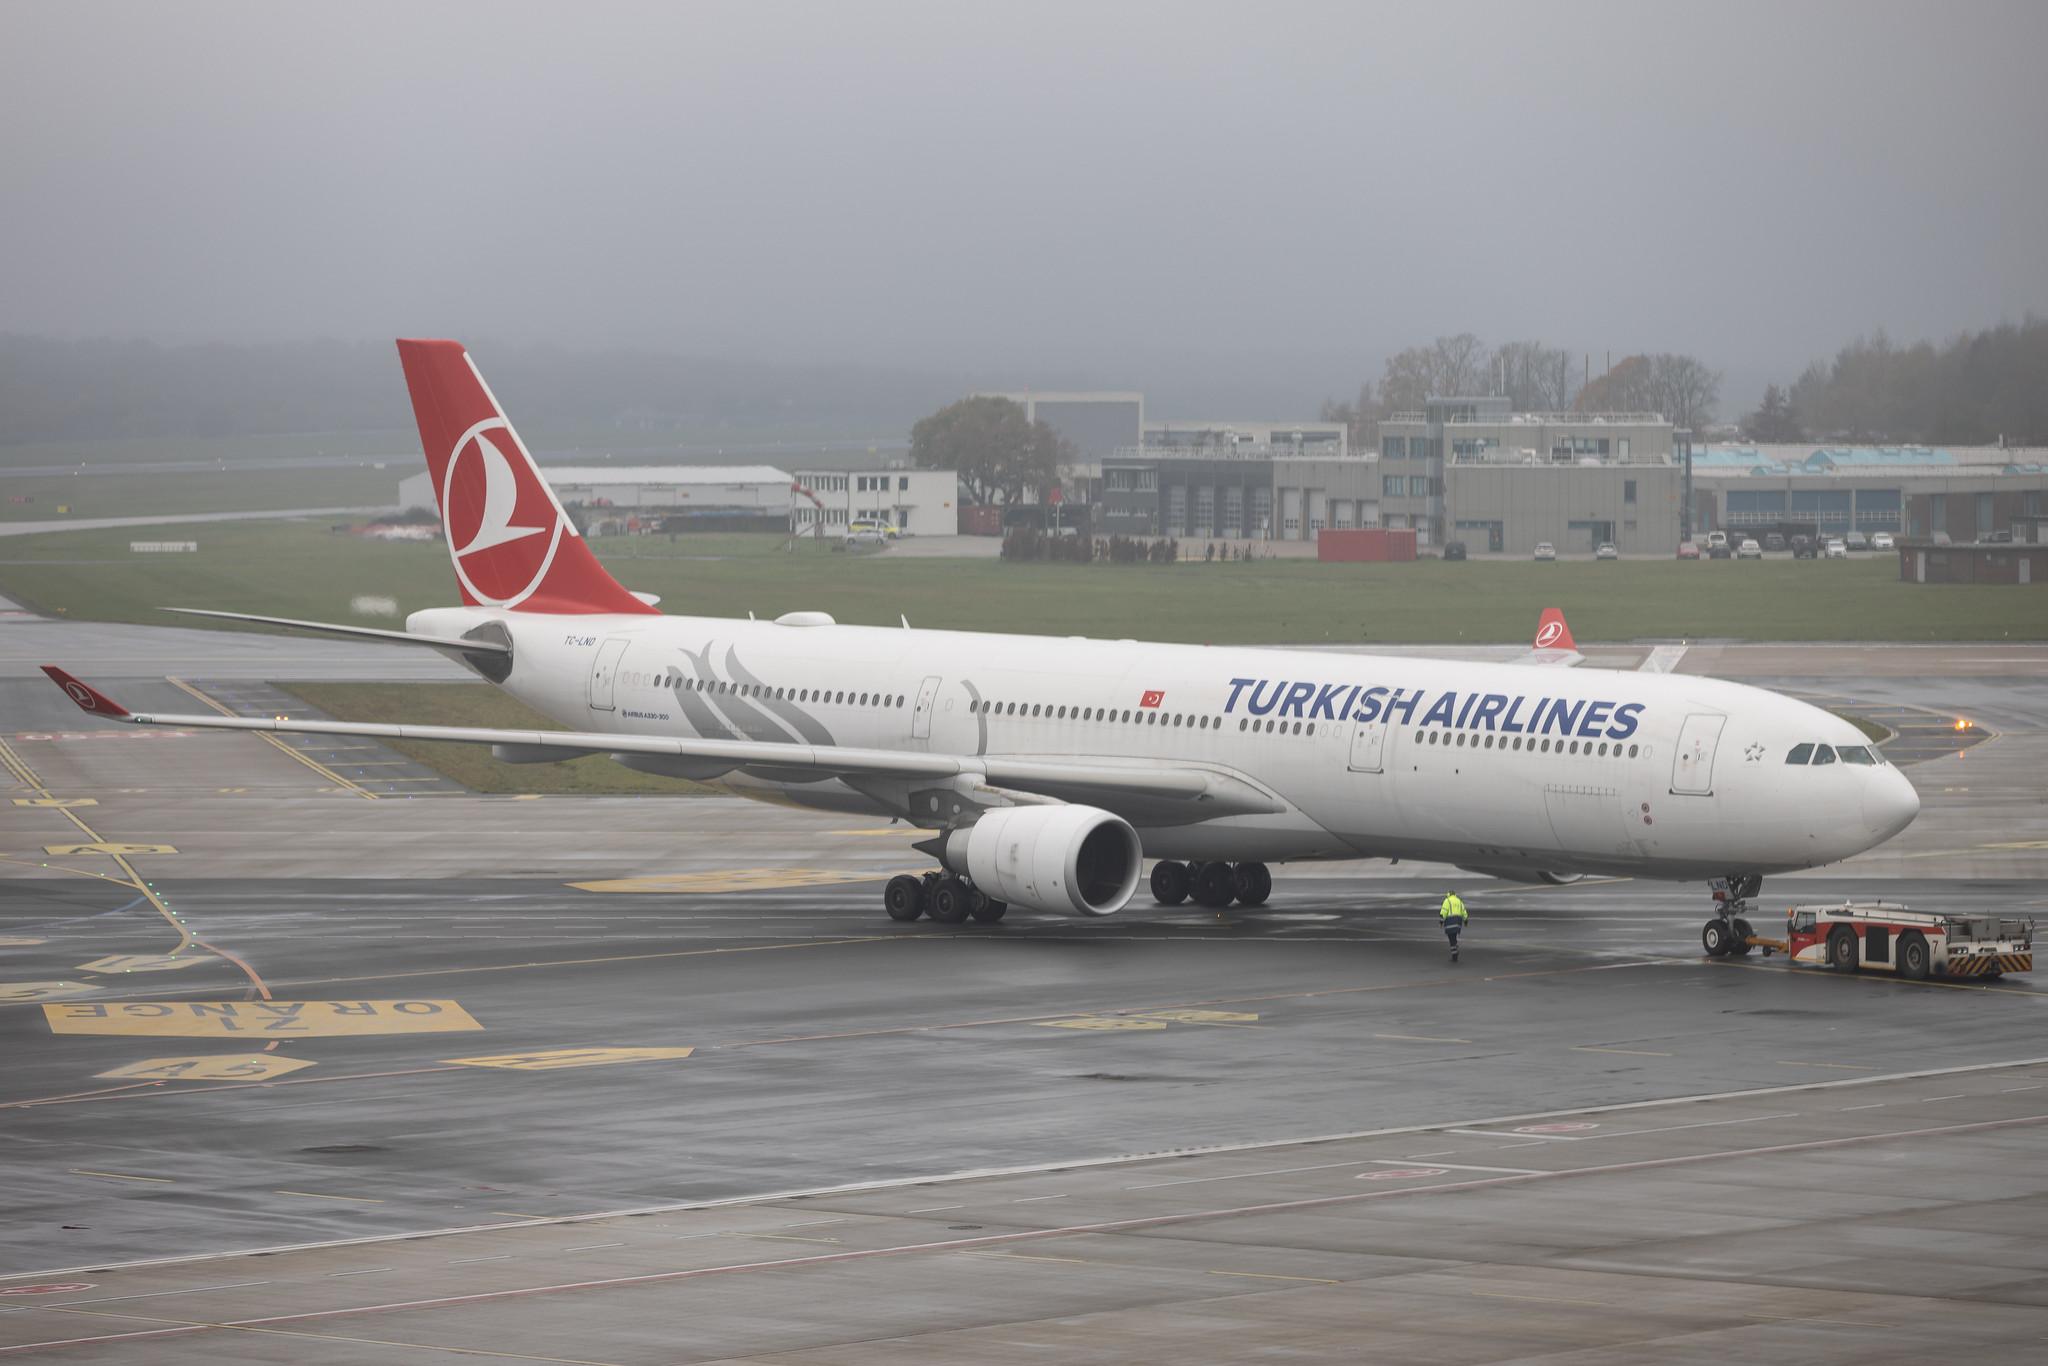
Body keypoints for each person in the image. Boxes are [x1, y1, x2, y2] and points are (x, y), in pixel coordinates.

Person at [1439, 890, 1468, 962]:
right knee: (1454, 937)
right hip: (1458, 922)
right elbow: (1464, 911)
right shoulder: (1459, 901)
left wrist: (1441, 921)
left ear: (1448, 894)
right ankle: (1455, 948)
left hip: (1450, 921)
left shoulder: (1447, 900)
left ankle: (1454, 955)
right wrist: (1465, 920)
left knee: (1451, 939)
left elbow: (1444, 911)